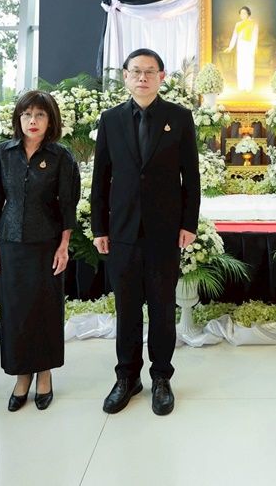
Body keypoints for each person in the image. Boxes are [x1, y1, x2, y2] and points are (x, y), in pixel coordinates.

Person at [92, 48, 201, 416]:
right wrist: (99, 226)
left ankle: (162, 377)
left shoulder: (179, 117)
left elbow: (191, 177)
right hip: (122, 230)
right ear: (125, 76)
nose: (142, 78)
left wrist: (188, 224)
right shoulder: (110, 119)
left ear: (161, 77)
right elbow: (101, 177)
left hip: (164, 231)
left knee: (161, 307)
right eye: (135, 71)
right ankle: (126, 377)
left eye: (149, 72)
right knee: (126, 308)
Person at [0, 90, 79, 412]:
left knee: (45, 308)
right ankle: (21, 374)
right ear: (18, 119)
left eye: (40, 114)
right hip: (11, 242)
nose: (33, 121)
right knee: (16, 310)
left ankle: (45, 373)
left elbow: (68, 205)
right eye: (26, 114)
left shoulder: (61, 156)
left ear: (50, 120)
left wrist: (64, 246)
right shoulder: (3, 153)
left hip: (47, 242)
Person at [223, 6, 259, 91]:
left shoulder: (253, 24)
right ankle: (241, 86)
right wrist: (230, 47)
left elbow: (255, 37)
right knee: (241, 66)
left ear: (248, 14)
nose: (242, 15)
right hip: (241, 47)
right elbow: (234, 36)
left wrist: (253, 49)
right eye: (241, 13)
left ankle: (249, 87)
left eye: (244, 13)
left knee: (249, 66)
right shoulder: (238, 24)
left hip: (249, 47)